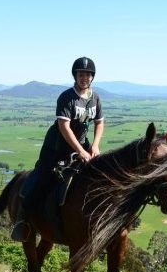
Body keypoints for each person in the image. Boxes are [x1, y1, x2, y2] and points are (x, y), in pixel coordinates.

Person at [11, 57, 105, 241]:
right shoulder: (67, 97)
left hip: (82, 146)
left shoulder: (95, 98)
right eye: (80, 74)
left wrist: (95, 145)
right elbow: (64, 127)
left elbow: (100, 123)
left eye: (87, 74)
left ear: (92, 77)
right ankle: (22, 221)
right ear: (75, 76)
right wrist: (80, 151)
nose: (84, 77)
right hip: (56, 148)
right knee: (40, 179)